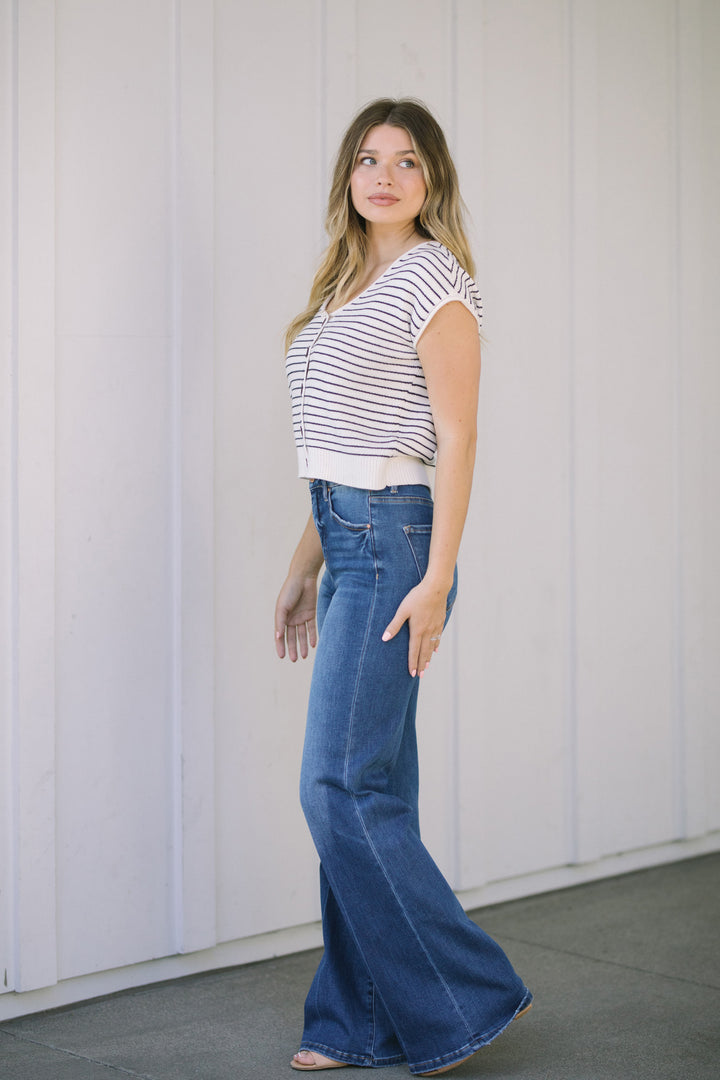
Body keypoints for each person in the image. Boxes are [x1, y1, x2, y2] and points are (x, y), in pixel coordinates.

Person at [274, 98, 532, 1076]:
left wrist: (438, 575)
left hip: (395, 548)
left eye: (408, 161)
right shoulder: (345, 284)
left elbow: (454, 441)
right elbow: (339, 449)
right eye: (369, 159)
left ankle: (469, 992)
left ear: (433, 183)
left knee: (336, 787)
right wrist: (305, 563)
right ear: (349, 176)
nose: (385, 175)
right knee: (367, 792)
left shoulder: (434, 282)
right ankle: (358, 1021)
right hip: (348, 541)